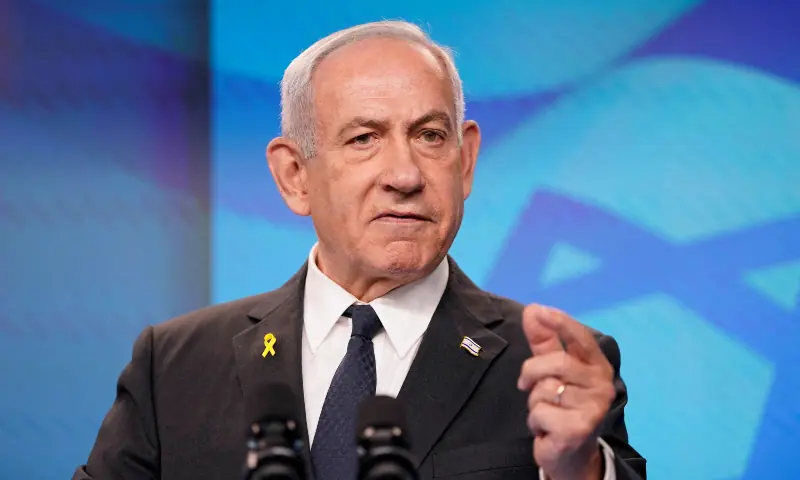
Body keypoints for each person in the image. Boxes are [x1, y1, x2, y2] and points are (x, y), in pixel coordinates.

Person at [74, 20, 646, 480]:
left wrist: (579, 472)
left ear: (465, 161)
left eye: (429, 136)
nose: (404, 174)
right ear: (294, 175)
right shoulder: (175, 366)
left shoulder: (551, 370)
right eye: (364, 138)